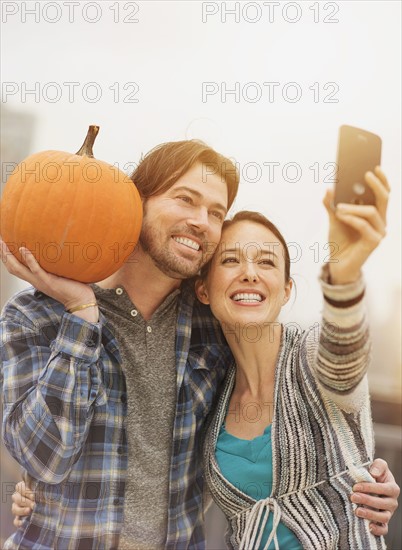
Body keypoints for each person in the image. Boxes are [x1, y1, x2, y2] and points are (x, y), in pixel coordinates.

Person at [0, 142, 398, 550]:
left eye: (215, 213)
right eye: (185, 199)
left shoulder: (213, 322)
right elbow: (44, 459)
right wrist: (81, 313)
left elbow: (332, 360)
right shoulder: (35, 317)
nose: (201, 221)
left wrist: (358, 471)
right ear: (136, 203)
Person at [195, 167, 398, 549]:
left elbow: (344, 353)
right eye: (230, 261)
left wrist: (345, 273)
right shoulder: (211, 391)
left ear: (286, 290)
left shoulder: (310, 354)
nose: (250, 274)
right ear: (204, 289)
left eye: (267, 263)